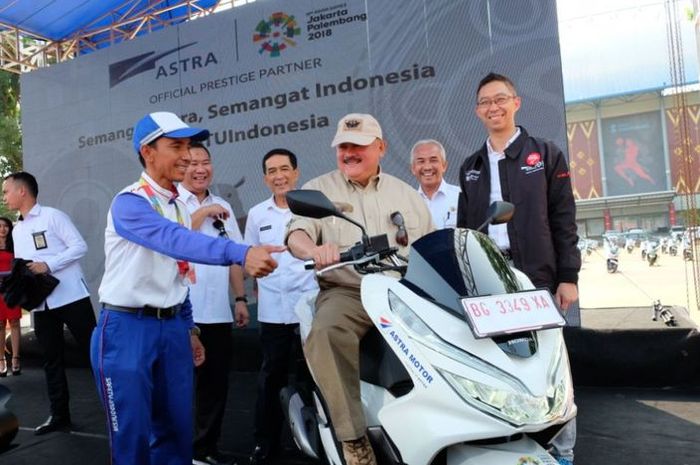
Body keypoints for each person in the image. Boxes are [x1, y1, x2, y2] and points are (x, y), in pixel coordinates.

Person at [90, 111, 283, 465]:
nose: (186, 155)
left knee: (176, 436)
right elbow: (173, 241)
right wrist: (241, 253)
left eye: (189, 146)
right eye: (175, 146)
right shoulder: (130, 202)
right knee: (131, 440)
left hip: (174, 327)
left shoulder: (178, 203)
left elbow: (178, 272)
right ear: (148, 152)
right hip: (126, 329)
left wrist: (190, 327)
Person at [286, 114, 433, 465]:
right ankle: (353, 438)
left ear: (380, 147)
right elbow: (296, 234)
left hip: (403, 291)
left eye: (359, 146)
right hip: (349, 291)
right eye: (343, 147)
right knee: (325, 332)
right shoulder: (321, 189)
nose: (349, 153)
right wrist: (314, 250)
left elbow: (431, 246)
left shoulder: (406, 194)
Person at [456, 72, 580, 465]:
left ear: (516, 102)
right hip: (489, 277)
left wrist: (568, 276)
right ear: (477, 112)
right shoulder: (470, 166)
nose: (493, 107)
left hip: (536, 275)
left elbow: (564, 217)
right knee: (499, 364)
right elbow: (463, 229)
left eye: (500, 99)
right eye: (485, 103)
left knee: (550, 363)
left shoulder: (544, 153)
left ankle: (561, 451)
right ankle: (512, 447)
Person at [2, 171, 96, 434]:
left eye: (6, 191)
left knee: (96, 354)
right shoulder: (18, 229)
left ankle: (119, 410)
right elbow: (25, 268)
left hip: (71, 297)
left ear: (22, 191)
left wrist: (49, 264)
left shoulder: (53, 216)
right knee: (51, 361)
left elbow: (79, 246)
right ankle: (59, 415)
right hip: (42, 304)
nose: (4, 197)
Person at [244, 149, 318, 465]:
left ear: (296, 172)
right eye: (272, 171)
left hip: (309, 307)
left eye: (285, 169)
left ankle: (318, 442)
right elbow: (249, 258)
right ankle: (265, 444)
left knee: (312, 378)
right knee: (270, 379)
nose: (279, 176)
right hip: (274, 310)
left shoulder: (312, 207)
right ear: (265, 178)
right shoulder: (257, 214)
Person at [177, 141, 248, 465]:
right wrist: (202, 212)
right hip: (179, 310)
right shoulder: (172, 202)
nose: (200, 168)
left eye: (205, 161)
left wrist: (241, 298)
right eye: (191, 162)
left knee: (215, 384)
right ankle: (174, 450)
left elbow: (233, 254)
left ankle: (204, 450)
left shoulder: (224, 204)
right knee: (177, 384)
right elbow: (172, 240)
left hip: (217, 311)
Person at [410, 139, 460, 228]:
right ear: (413, 168)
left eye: (433, 160)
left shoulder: (462, 197)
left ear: (444, 166)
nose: (427, 167)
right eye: (421, 161)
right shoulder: (407, 202)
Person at [0, 216, 21, 377]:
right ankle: (1, 360)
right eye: (0, 226)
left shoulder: (16, 245)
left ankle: (15, 358)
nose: (2, 229)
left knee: (14, 322)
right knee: (0, 325)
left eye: (6, 226)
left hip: (13, 290)